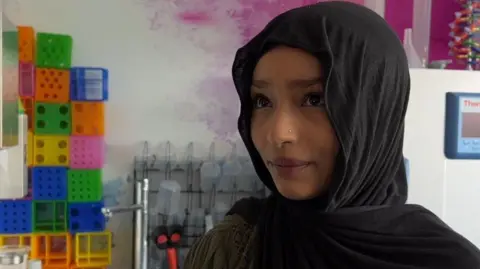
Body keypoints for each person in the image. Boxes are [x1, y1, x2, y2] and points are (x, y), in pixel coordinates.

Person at [184, 2, 480, 269]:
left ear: (375, 113)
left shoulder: (449, 261)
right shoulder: (231, 248)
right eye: (262, 101)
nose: (277, 134)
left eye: (315, 99)